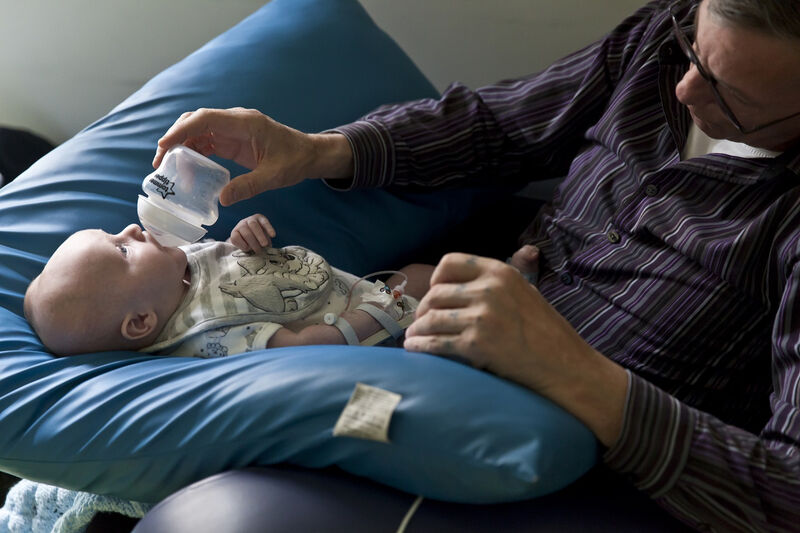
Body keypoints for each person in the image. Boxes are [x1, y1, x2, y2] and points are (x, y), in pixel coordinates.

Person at [147, 0, 800, 529]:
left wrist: (575, 372)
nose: (685, 87)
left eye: (731, 94)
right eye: (693, 49)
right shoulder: (662, 38)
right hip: (430, 373)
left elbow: (786, 492)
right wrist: (317, 150)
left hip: (578, 472)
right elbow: (502, 127)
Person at [23, 213, 439, 357]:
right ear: (140, 322)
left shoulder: (183, 266)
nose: (131, 228)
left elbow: (238, 262)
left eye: (115, 233)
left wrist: (245, 237)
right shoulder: (207, 334)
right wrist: (373, 316)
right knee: (435, 298)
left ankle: (507, 272)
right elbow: (302, 347)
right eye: (123, 251)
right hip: (378, 338)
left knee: (422, 272)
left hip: (368, 293)